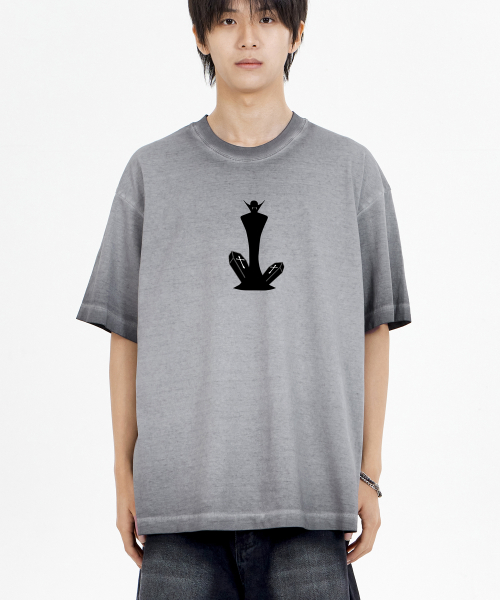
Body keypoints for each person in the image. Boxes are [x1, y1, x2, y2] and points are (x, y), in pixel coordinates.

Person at [75, 0, 412, 597]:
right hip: (179, 509)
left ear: (297, 33)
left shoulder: (351, 172)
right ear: (201, 36)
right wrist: (124, 477)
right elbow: (126, 334)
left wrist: (369, 472)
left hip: (312, 503)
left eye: (268, 18)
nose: (249, 38)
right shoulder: (151, 173)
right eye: (228, 20)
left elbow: (374, 328)